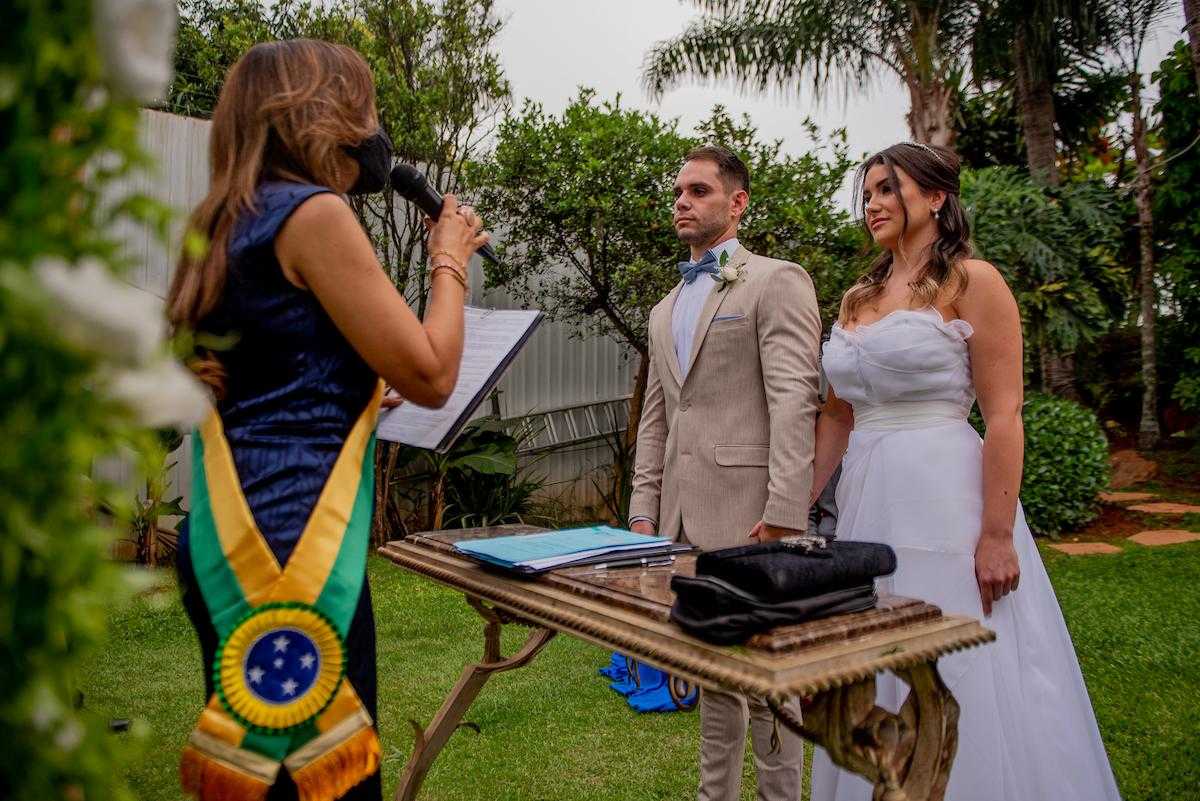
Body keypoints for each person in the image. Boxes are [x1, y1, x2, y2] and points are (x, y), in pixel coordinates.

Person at [166, 40, 488, 801]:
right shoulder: (315, 214)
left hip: (232, 528)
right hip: (292, 550)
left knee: (269, 778)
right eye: (365, 107)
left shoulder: (220, 223)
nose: (375, 129)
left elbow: (259, 375)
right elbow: (434, 372)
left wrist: (347, 392)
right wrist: (449, 259)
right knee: (324, 781)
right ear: (323, 115)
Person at [808, 142, 1121, 801]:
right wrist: (791, 509)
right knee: (875, 657)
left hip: (946, 500)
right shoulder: (855, 296)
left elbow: (1005, 415)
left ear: (936, 198)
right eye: (866, 193)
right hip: (868, 507)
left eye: (888, 189)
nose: (873, 203)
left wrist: (998, 533)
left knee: (956, 660)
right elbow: (836, 419)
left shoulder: (974, 282)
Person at [628, 144, 822, 801]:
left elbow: (796, 397)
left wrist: (787, 510)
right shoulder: (661, 310)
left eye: (700, 190)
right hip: (682, 521)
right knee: (713, 671)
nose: (682, 200)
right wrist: (641, 509)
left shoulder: (775, 280)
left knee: (772, 682)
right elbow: (657, 420)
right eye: (679, 190)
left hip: (755, 517)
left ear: (737, 203)